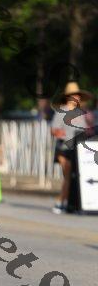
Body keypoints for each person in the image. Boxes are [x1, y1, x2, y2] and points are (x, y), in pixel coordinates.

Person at [51, 81, 92, 213]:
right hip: (64, 149)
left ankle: (71, 203)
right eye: (75, 95)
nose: (78, 97)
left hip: (77, 151)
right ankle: (60, 202)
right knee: (68, 176)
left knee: (75, 177)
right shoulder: (61, 111)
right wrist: (63, 135)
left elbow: (85, 131)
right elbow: (54, 130)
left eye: (78, 95)